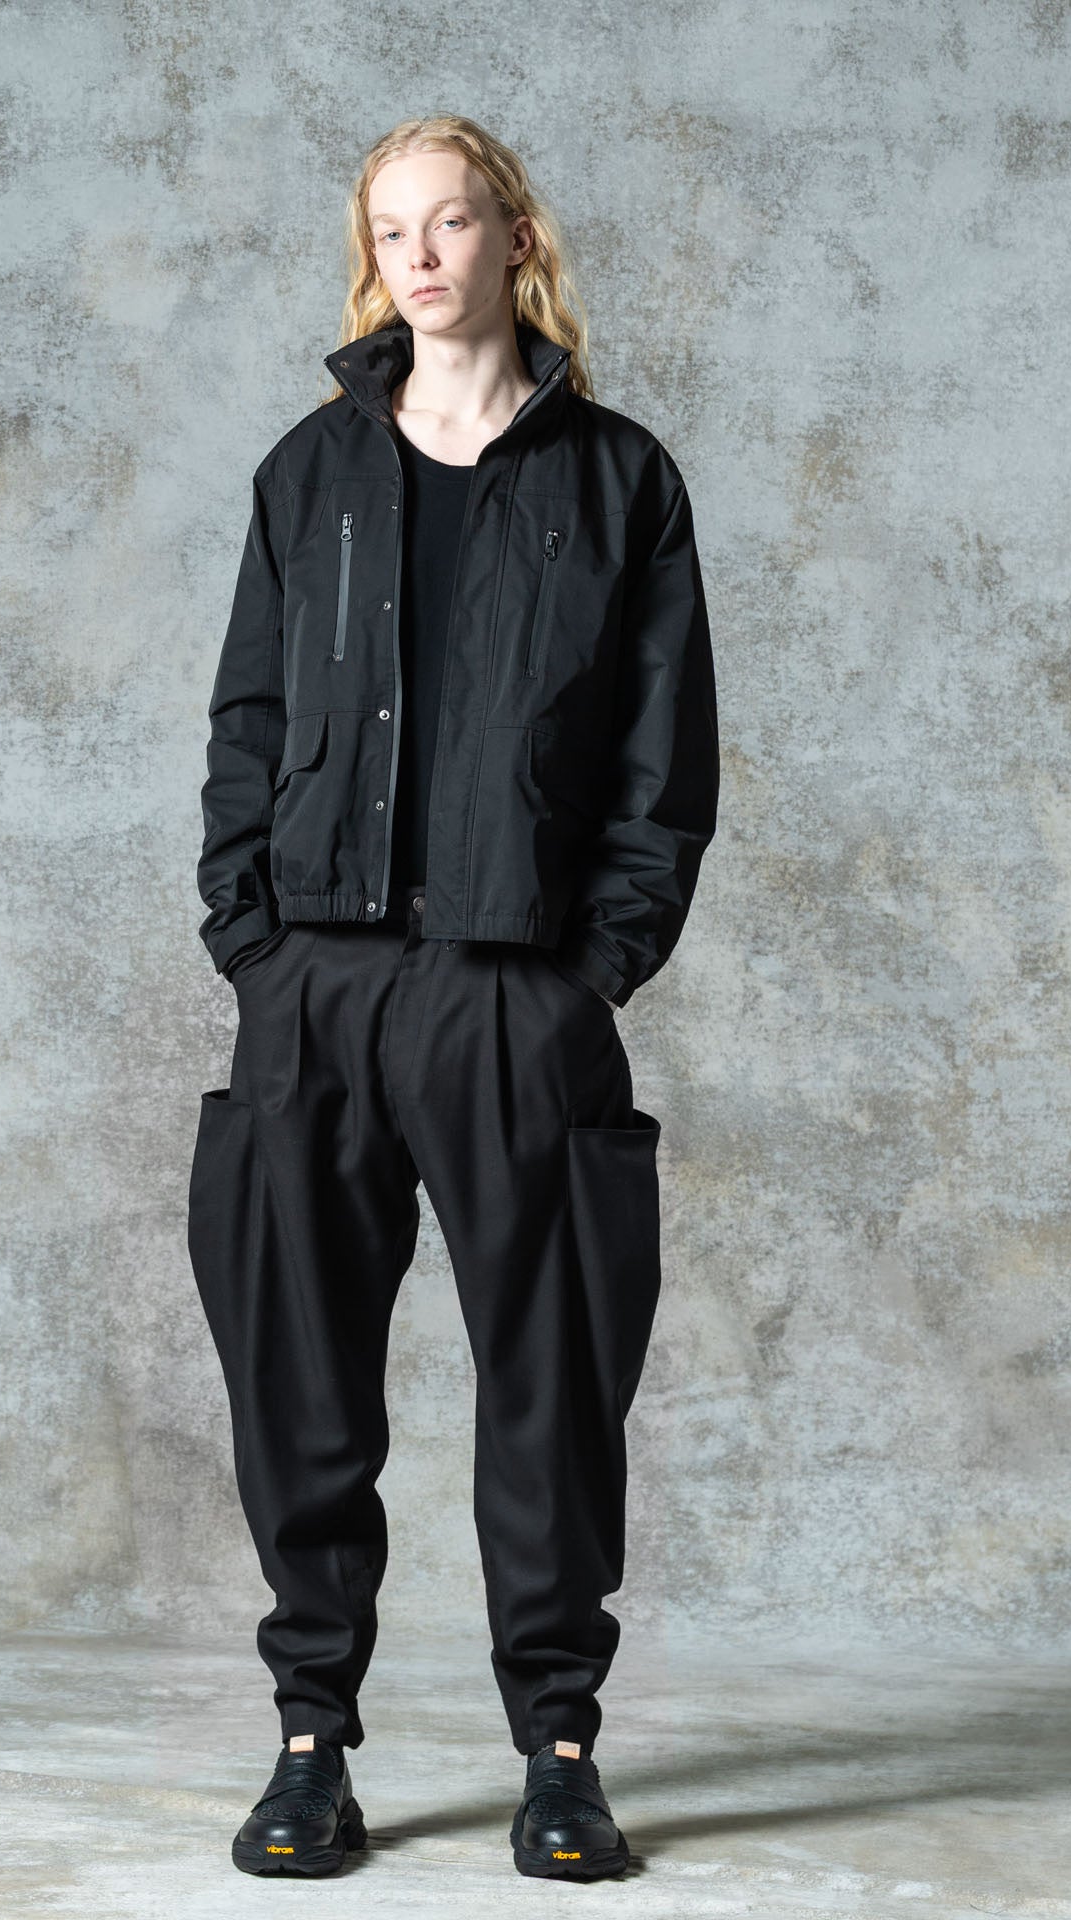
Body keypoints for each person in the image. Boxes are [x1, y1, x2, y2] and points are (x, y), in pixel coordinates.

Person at [188, 113, 719, 1881]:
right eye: (391, 228)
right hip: (317, 989)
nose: (420, 255)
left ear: (514, 239)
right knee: (299, 1381)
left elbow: (663, 765)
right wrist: (254, 945)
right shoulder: (310, 473)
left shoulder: (620, 481)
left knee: (552, 1387)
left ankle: (560, 1753)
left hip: (515, 996)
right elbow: (248, 724)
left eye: (452, 221)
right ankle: (310, 1742)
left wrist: (591, 977)